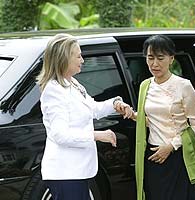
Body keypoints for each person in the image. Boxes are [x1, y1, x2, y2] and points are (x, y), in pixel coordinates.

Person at [36, 33, 133, 200]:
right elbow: (60, 135)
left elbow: (92, 108)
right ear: (64, 58)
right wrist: (98, 135)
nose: (82, 60)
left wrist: (115, 104)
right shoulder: (53, 91)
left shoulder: (72, 83)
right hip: (65, 174)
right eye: (79, 56)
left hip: (77, 172)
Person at [130, 35, 195, 200]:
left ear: (171, 59)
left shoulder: (183, 86)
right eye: (150, 58)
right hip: (152, 154)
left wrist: (171, 146)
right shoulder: (145, 85)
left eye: (160, 58)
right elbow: (151, 120)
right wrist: (133, 115)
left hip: (177, 156)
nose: (155, 64)